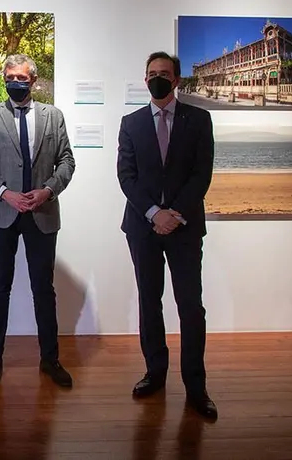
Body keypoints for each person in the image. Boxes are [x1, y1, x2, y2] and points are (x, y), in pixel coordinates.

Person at [117, 51, 217, 420]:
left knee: (191, 306)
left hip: (184, 227)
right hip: (142, 228)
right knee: (149, 301)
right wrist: (153, 213)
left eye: (164, 73)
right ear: (145, 79)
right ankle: (155, 373)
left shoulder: (199, 119)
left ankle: (196, 385)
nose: (157, 78)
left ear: (176, 79)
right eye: (151, 73)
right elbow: (126, 176)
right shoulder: (131, 123)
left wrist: (173, 214)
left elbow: (201, 174)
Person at [0, 54, 76, 388]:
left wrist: (48, 190)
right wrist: (5, 193)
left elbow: (67, 161)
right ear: (4, 78)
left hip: (42, 213)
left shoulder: (53, 116)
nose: (15, 82)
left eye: (22, 78)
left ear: (34, 80)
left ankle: (50, 359)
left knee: (44, 289)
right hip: (1, 214)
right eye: (10, 77)